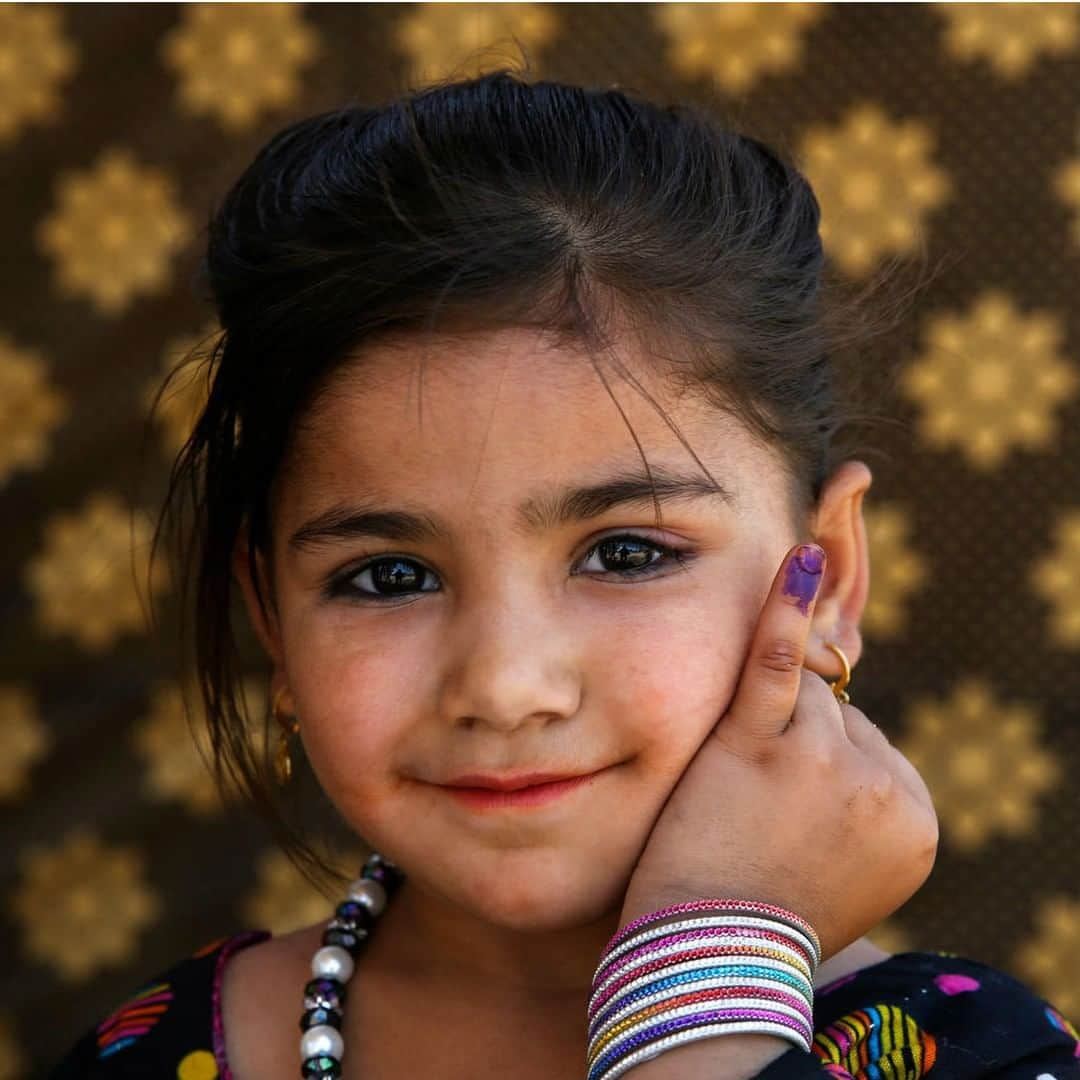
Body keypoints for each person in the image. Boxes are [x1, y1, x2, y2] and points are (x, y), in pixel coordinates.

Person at [50, 70, 1079, 1080]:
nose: (504, 685)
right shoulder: (153, 1054)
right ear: (273, 620)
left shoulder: (977, 1057)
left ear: (829, 574)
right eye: (388, 577)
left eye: (626, 554)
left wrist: (701, 1013)